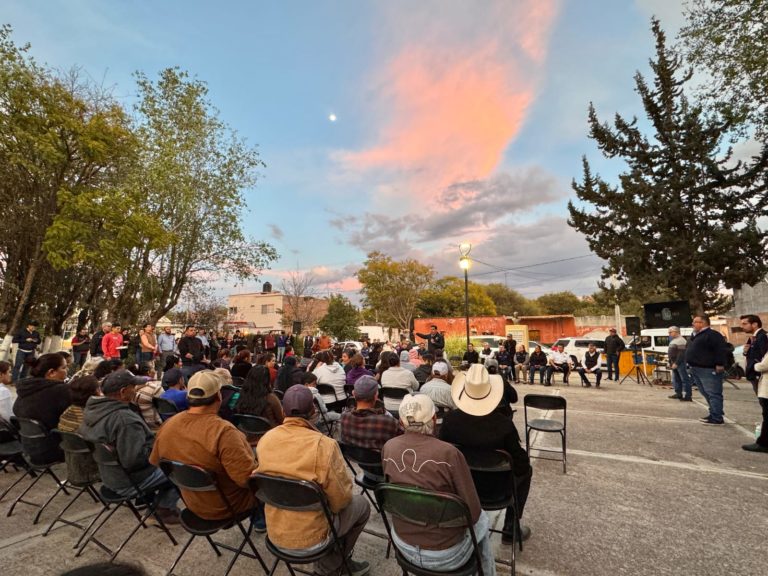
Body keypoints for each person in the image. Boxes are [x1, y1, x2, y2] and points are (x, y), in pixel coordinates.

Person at [256, 385, 371, 576]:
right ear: (313, 411)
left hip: (276, 532)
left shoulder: (266, 439)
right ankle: (333, 565)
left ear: (283, 411)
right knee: (362, 506)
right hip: (313, 538)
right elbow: (341, 500)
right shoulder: (324, 445)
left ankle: (334, 561)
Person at [382, 394, 496, 576]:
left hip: (402, 544)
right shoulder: (448, 453)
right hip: (445, 556)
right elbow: (472, 513)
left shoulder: (388, 447)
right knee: (482, 518)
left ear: (401, 422)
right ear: (434, 419)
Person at [149, 370, 265, 528]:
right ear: (219, 396)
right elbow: (247, 480)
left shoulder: (168, 425)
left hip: (192, 504)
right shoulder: (223, 432)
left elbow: (156, 461)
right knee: (269, 486)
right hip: (226, 508)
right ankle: (263, 524)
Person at [440, 363, 533, 545]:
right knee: (527, 471)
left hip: (460, 485)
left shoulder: (450, 420)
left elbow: (442, 452)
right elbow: (521, 464)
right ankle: (510, 528)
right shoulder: (503, 424)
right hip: (497, 490)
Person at [79, 369, 180, 524]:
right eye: (134, 386)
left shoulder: (93, 410)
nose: (136, 389)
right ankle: (163, 510)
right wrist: (160, 448)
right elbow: (134, 460)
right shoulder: (125, 420)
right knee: (181, 469)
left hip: (108, 475)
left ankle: (151, 500)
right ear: (123, 391)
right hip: (127, 480)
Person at [13, 353, 71, 463]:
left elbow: (16, 410)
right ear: (51, 372)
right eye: (64, 367)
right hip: (53, 450)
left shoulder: (26, 388)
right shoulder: (61, 390)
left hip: (28, 448)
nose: (67, 370)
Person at [340, 375, 403, 453]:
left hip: (356, 458)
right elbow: (403, 440)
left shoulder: (344, 417)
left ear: (354, 394)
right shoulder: (389, 422)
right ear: (376, 395)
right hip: (381, 461)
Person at [57, 375, 101, 485]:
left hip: (73, 467)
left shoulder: (68, 412)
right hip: (93, 469)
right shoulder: (90, 417)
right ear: (96, 392)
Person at [686, 315, 729, 425]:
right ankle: (714, 413)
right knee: (705, 392)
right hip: (696, 368)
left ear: (703, 323)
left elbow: (720, 349)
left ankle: (717, 417)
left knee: (713, 393)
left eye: (695, 322)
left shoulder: (712, 335)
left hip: (708, 369)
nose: (693, 324)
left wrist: (720, 363)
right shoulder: (696, 335)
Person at [739, 314, 768, 452]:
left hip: (760, 376)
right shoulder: (755, 338)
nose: (742, 326)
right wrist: (746, 352)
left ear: (755, 324)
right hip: (758, 376)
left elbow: (764, 359)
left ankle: (763, 442)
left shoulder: (762, 337)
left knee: (766, 409)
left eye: (745, 323)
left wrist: (756, 369)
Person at [235, 365, 284, 444]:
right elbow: (282, 420)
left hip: (247, 434)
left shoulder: (242, 395)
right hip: (270, 436)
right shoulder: (271, 398)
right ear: (267, 380)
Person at [667, 326, 692, 401]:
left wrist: (677, 363)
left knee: (684, 379)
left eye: (670, 332)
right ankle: (678, 393)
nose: (669, 334)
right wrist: (670, 362)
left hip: (679, 363)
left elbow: (682, 353)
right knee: (676, 379)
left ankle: (688, 396)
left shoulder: (681, 340)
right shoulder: (675, 340)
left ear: (676, 332)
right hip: (674, 362)